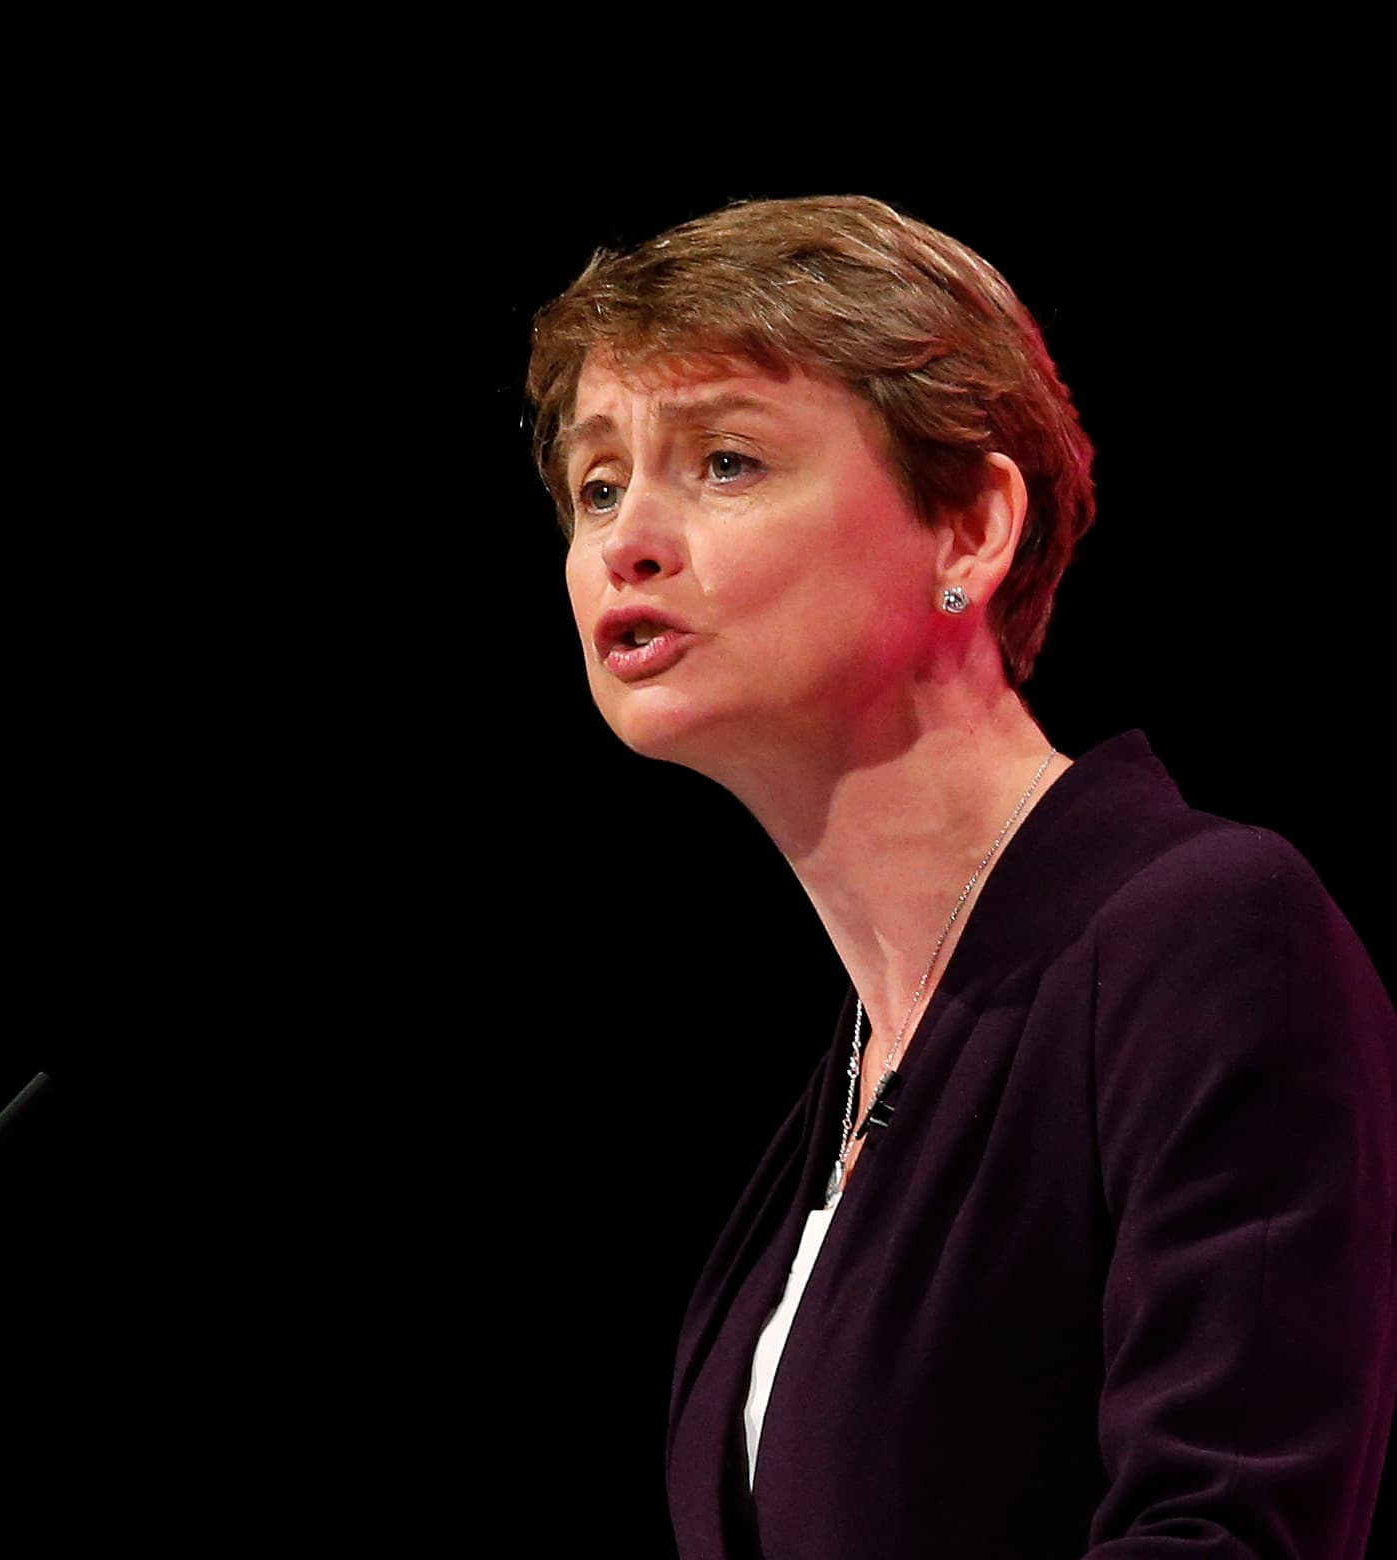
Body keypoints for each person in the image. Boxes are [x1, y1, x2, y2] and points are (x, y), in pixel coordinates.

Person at [524, 195, 1396, 1559]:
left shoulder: (1201, 935)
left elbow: (1223, 1529)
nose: (627, 537)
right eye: (594, 483)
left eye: (727, 462)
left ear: (969, 529)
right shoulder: (860, 1065)